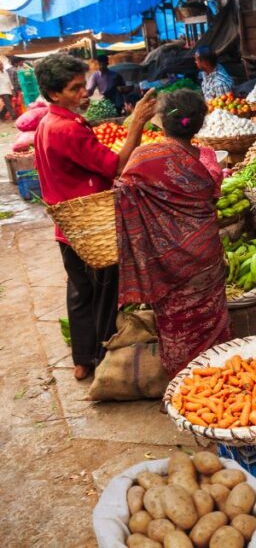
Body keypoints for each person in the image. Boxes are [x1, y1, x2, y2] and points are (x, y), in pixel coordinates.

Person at [33, 53, 158, 380]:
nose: (84, 93)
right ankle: (104, 361)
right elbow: (116, 166)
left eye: (82, 85)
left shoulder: (47, 123)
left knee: (79, 292)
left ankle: (82, 360)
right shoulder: (69, 129)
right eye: (75, 89)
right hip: (93, 226)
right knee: (104, 293)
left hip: (68, 228)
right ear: (54, 94)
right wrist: (138, 122)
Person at [114, 89, 232, 376]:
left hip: (167, 262)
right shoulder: (207, 158)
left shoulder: (144, 156)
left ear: (162, 122)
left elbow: (122, 185)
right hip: (205, 254)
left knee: (174, 322)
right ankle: (221, 377)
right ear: (200, 124)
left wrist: (136, 126)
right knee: (212, 317)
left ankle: (183, 384)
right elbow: (213, 193)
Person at [0, 56, 15, 121]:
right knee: (8, 104)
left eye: (2, 64)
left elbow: (9, 81)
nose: (2, 65)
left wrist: (12, 89)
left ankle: (1, 115)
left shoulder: (5, 72)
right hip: (2, 91)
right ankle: (13, 115)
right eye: (0, 65)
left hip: (8, 90)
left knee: (7, 104)